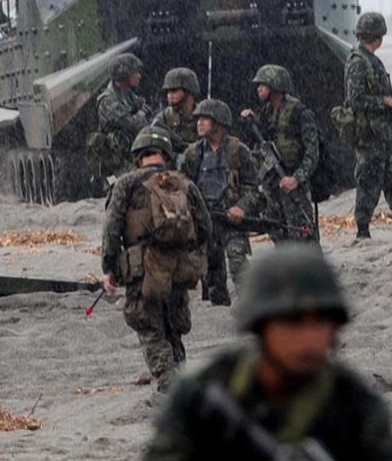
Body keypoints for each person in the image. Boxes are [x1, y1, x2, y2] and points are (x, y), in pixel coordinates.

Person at [143, 244, 392, 461]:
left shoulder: (358, 406)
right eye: (293, 322)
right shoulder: (205, 390)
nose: (309, 337)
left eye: (321, 322)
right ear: (260, 326)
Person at [101, 126, 211, 393]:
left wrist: (109, 267)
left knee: (151, 330)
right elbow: (205, 227)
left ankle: (170, 388)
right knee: (174, 330)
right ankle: (183, 386)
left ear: (139, 155)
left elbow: (112, 228)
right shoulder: (184, 183)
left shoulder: (126, 184)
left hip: (144, 269)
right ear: (165, 154)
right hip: (179, 268)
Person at [180, 99, 261, 306]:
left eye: (205, 119)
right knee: (212, 276)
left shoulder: (238, 150)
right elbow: (182, 187)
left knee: (239, 267)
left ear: (219, 123)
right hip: (207, 223)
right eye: (198, 119)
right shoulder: (193, 153)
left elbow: (253, 188)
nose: (199, 123)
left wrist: (241, 207)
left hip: (233, 220)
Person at [345, 12, 392, 239]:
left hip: (383, 135)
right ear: (377, 36)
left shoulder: (373, 61)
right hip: (369, 137)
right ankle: (363, 231)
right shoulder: (358, 63)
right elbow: (355, 100)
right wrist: (384, 102)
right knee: (368, 184)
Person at [241, 65, 319, 243]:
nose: (258, 89)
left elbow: (312, 153)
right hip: (272, 183)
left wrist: (297, 178)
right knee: (277, 231)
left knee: (303, 234)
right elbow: (259, 139)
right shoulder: (267, 112)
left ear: (275, 86)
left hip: (293, 182)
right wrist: (250, 120)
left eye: (263, 84)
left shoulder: (300, 112)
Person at [96, 50, 149, 175]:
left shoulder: (128, 95)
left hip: (130, 157)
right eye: (135, 72)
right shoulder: (108, 100)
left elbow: (145, 108)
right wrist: (140, 115)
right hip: (116, 163)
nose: (139, 76)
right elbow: (131, 124)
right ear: (124, 74)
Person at [151, 67, 200, 154]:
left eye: (174, 91)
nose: (169, 96)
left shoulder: (203, 116)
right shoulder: (163, 118)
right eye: (168, 91)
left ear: (188, 91)